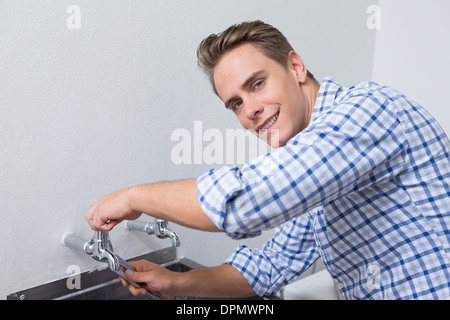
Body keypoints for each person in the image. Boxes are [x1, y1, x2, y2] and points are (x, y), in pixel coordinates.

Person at [85, 20, 450, 299]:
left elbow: (244, 202)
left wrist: (133, 197)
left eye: (257, 84)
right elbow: (273, 264)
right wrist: (177, 282)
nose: (252, 110)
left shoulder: (368, 109)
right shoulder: (314, 164)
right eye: (236, 104)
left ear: (295, 67)